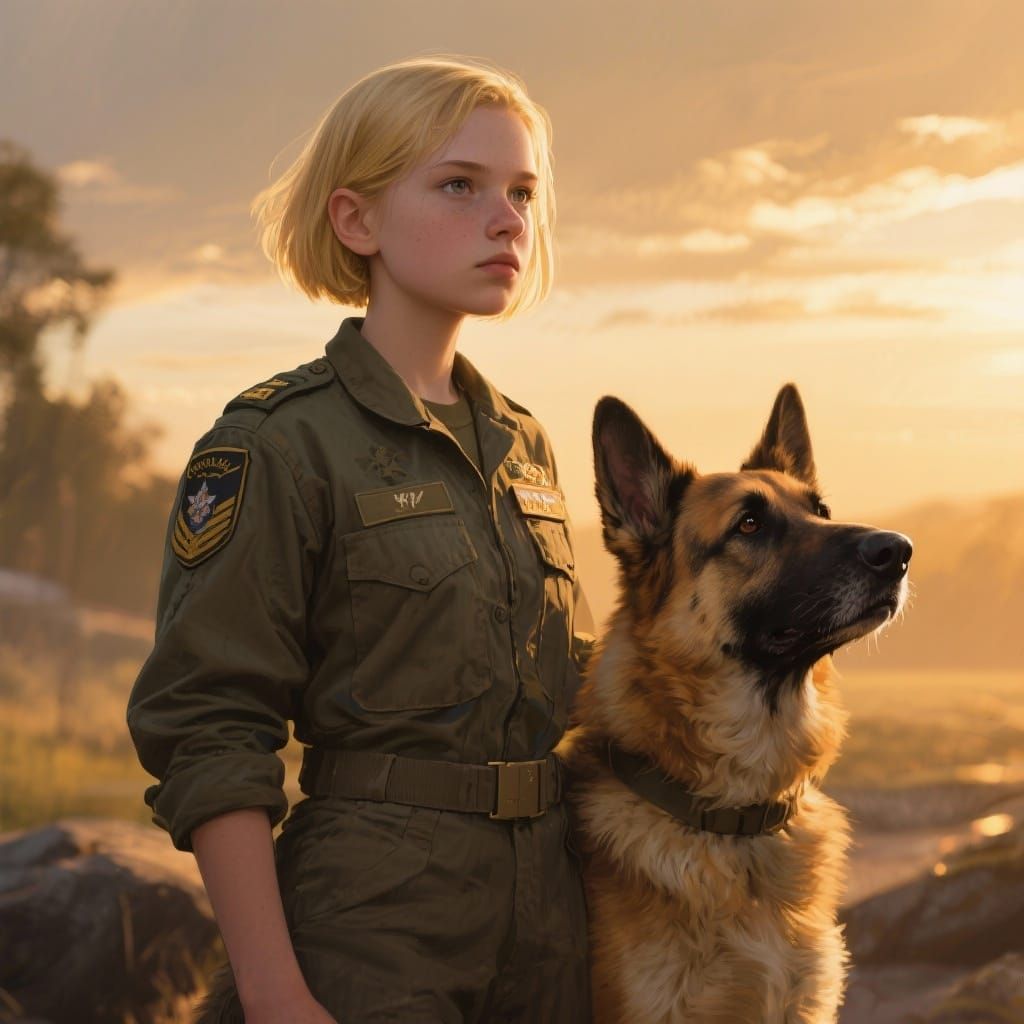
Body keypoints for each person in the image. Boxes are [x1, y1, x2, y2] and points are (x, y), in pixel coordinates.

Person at [126, 54, 596, 1023]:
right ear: (357, 220)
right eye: (459, 185)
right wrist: (273, 990)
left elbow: (572, 687)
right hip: (376, 921)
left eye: (520, 192)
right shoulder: (277, 441)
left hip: (552, 924)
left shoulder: (526, 445)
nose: (506, 219)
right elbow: (212, 724)